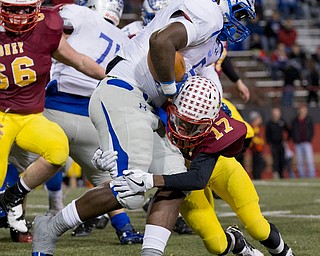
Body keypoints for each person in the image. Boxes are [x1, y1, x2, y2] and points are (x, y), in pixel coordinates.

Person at [31, 0, 257, 255]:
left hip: (147, 104)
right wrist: (171, 92)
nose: (240, 21)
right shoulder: (209, 13)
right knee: (131, 190)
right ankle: (50, 227)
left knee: (176, 181)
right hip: (126, 93)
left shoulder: (212, 40)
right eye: (239, 12)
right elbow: (161, 43)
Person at [109, 75, 295, 256]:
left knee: (257, 227)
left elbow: (198, 178)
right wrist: (109, 152)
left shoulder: (217, 126)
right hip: (181, 177)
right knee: (216, 245)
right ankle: (238, 243)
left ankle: (283, 252)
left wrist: (151, 180)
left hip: (218, 170)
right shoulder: (162, 103)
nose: (182, 129)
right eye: (181, 120)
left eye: (192, 126)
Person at [7, 0, 144, 244]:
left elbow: (60, 32)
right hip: (95, 115)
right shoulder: (124, 39)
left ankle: (15, 221)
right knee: (104, 179)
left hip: (56, 107)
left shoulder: (74, 14)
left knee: (17, 162)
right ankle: (125, 230)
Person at [0, 0, 105, 238]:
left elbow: (78, 60)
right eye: (14, 9)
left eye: (26, 9)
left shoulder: (47, 26)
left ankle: (12, 196)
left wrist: (108, 78)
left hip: (31, 116)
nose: (20, 16)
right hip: (1, 115)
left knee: (58, 150)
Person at [291, 103, 316, 178]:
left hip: (307, 142)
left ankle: (312, 175)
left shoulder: (309, 119)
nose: (302, 111)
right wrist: (295, 139)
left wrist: (309, 138)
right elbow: (293, 131)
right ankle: (301, 175)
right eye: (301, 110)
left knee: (309, 160)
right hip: (298, 143)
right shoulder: (295, 120)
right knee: (300, 161)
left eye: (304, 110)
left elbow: (312, 130)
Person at [265, 107, 290, 179]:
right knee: (275, 159)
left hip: (281, 144)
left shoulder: (282, 122)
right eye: (274, 113)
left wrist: (287, 139)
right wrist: (269, 143)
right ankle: (276, 174)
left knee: (282, 159)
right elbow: (267, 134)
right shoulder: (269, 123)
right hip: (274, 145)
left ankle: (281, 174)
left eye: (277, 113)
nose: (276, 115)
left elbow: (288, 130)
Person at [249, 111, 266, 180]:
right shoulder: (254, 128)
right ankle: (257, 177)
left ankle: (257, 176)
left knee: (259, 164)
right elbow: (254, 139)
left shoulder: (258, 127)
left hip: (258, 149)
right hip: (256, 149)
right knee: (257, 165)